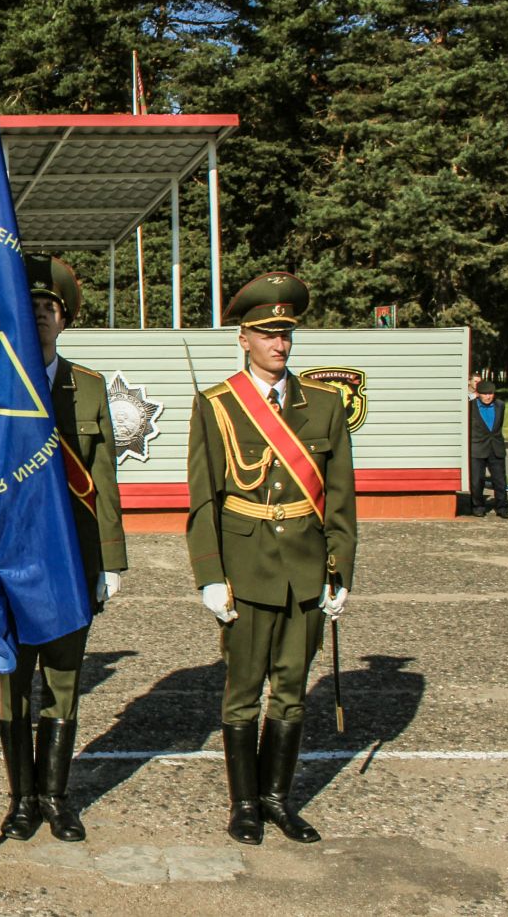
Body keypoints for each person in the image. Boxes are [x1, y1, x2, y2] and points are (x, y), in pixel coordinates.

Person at [0, 255, 127, 843]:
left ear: (64, 319)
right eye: (28, 309)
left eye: (49, 308)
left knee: (62, 681)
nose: (40, 317)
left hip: (68, 563)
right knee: (11, 683)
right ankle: (20, 799)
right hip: (9, 565)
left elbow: (102, 479)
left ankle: (55, 797)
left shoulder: (87, 387)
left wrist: (108, 561)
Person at [186, 272, 355, 846]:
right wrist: (210, 573)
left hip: (306, 570)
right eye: (267, 334)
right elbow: (203, 498)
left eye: (285, 334)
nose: (280, 345)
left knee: (291, 689)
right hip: (248, 569)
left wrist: (341, 571)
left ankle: (277, 799)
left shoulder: (324, 406)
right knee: (243, 690)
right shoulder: (216, 404)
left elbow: (340, 498)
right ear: (244, 338)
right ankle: (243, 806)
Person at [467, 377, 507, 518]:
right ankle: (478, 506)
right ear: (479, 394)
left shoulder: (500, 405)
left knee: (500, 480)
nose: (488, 396)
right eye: (485, 393)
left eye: (490, 393)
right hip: (477, 448)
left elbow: (498, 425)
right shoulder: (470, 405)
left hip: (496, 447)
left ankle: (502, 507)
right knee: (477, 480)